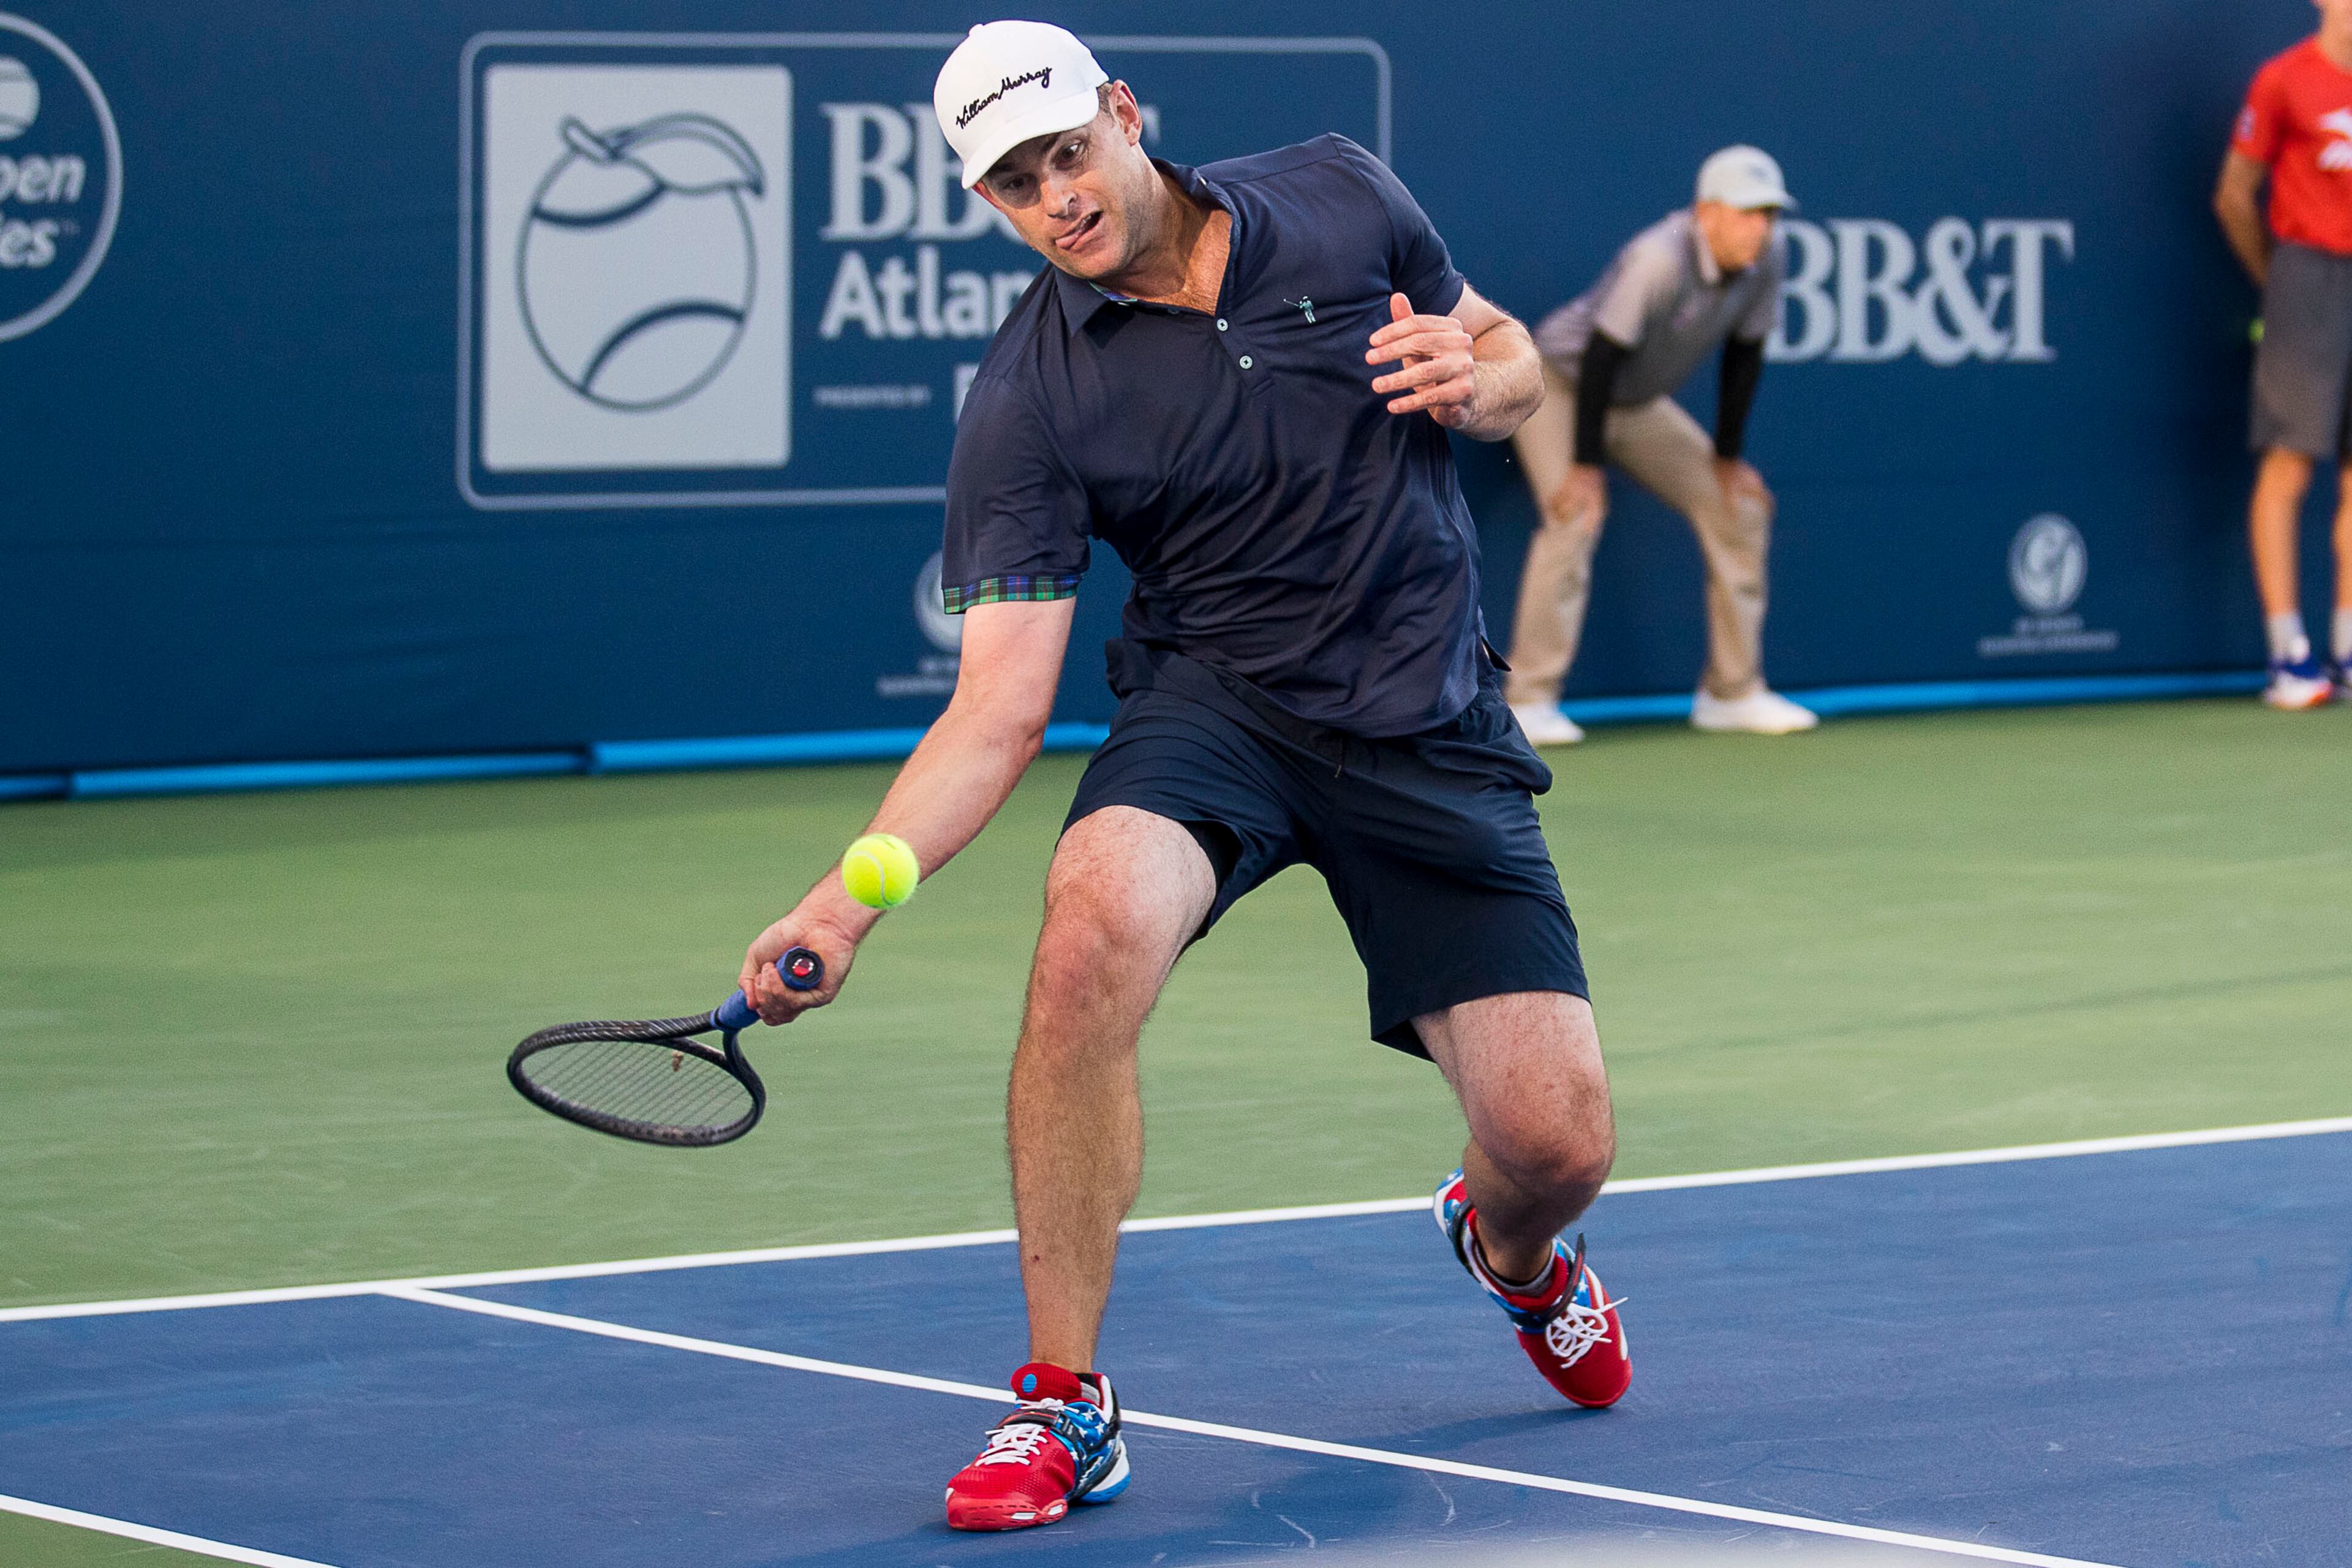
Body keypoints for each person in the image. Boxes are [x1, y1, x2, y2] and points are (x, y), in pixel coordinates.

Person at [733, 19, 1629, 1534]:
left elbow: (1508, 351)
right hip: (1218, 711)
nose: (1056, 198)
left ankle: (1508, 1247)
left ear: (1125, 115)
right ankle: (1061, 1400)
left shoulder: (1342, 193)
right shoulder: (1024, 399)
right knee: (1089, 916)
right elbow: (996, 709)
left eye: (1066, 153)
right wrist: (846, 896)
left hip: (1426, 714)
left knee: (1557, 1144)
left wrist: (1475, 385)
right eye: (1014, 185)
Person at [1502, 148, 1817, 746]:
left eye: (1770, 215)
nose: (1761, 228)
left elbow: (1745, 353)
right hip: (1559, 385)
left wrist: (1726, 457)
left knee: (1739, 507)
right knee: (1575, 513)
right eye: (1748, 213)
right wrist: (1586, 466)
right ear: (1707, 213)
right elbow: (1600, 357)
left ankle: (1732, 692)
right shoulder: (1659, 258)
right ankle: (1528, 702)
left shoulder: (1769, 255)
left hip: (1636, 404)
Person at [2215, 0, 2352, 709]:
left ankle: (2348, 648)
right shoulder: (2283, 80)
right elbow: (2234, 194)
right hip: (2305, 275)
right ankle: (2287, 655)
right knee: (2290, 463)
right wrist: (2279, 281)